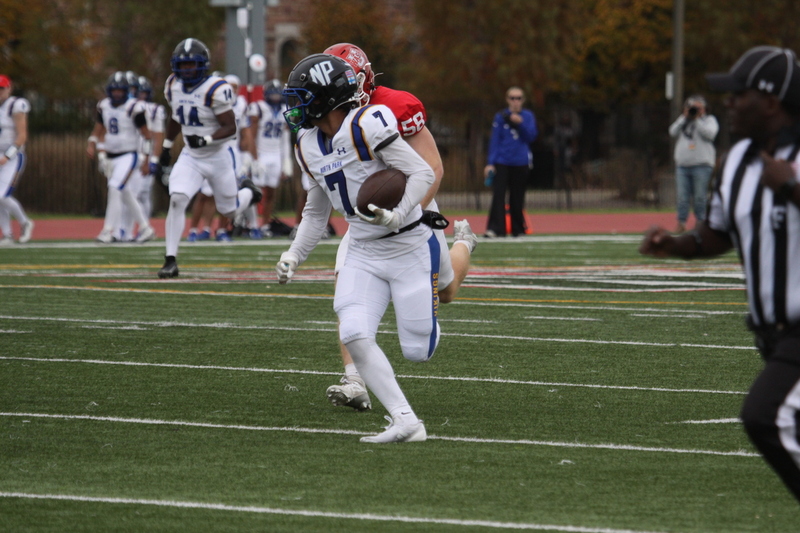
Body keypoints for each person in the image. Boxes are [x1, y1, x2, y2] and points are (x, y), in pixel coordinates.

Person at [640, 45, 800, 503]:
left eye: (739, 94)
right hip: (771, 335)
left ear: (770, 102)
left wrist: (789, 186)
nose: (728, 103)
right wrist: (675, 244)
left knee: (765, 417)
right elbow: (717, 234)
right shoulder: (735, 162)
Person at [276, 53, 461, 443]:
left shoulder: (368, 124)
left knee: (418, 351)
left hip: (409, 242)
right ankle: (406, 421)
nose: (295, 106)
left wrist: (399, 213)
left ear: (325, 98)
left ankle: (462, 247)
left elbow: (423, 172)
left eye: (302, 97)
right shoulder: (307, 144)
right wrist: (294, 254)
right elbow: (315, 212)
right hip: (363, 248)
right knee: (355, 331)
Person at [321, 43, 477, 412]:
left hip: (411, 210)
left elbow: (433, 167)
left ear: (363, 80)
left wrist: (405, 213)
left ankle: (466, 243)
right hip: (364, 222)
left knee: (448, 292)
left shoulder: (395, 106)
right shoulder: (325, 118)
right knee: (345, 283)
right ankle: (354, 379)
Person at [154, 38, 262, 278]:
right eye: (182, 66)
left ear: (202, 65)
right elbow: (176, 116)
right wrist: (167, 145)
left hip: (218, 156)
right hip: (191, 156)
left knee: (230, 211)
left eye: (191, 65)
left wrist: (207, 140)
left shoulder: (216, 88)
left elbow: (230, 127)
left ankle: (249, 193)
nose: (186, 70)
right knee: (178, 198)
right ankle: (170, 259)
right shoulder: (173, 84)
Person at [87, 71, 156, 244]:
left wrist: (147, 159)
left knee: (114, 187)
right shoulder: (104, 106)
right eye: (114, 90)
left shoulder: (135, 107)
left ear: (127, 91)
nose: (117, 94)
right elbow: (98, 129)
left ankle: (107, 230)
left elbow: (147, 136)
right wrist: (92, 143)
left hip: (128, 155)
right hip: (111, 156)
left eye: (120, 90)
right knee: (125, 192)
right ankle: (145, 228)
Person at [483, 87, 538, 237]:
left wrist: (520, 124)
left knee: (517, 197)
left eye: (518, 98)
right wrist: (490, 162)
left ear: (523, 100)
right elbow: (495, 140)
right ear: (508, 99)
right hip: (502, 161)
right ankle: (495, 229)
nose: (515, 101)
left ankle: (518, 229)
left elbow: (531, 137)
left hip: (520, 162)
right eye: (512, 98)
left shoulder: (528, 116)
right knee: (498, 195)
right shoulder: (500, 117)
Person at [248, 78, 293, 238]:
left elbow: (285, 139)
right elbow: (251, 136)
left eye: (277, 94)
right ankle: (253, 225)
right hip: (261, 153)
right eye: (272, 94)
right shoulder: (258, 108)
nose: (275, 98)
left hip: (276, 155)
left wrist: (286, 162)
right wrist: (254, 158)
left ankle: (265, 224)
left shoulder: (285, 110)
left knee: (271, 193)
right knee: (255, 193)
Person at [668, 94, 719, 233]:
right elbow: (672, 131)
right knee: (682, 197)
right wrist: (684, 117)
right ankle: (681, 222)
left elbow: (710, 134)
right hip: (683, 165)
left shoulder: (709, 120)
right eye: (692, 107)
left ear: (704, 109)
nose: (695, 110)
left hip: (702, 165)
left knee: (699, 197)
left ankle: (700, 223)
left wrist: (697, 120)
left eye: (698, 108)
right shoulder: (683, 120)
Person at [0, 75, 34, 244]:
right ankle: (7, 234)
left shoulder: (15, 105)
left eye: (1, 88)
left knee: (2, 196)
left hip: (13, 156)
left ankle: (25, 222)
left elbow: (22, 136)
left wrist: (7, 156)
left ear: (9, 88)